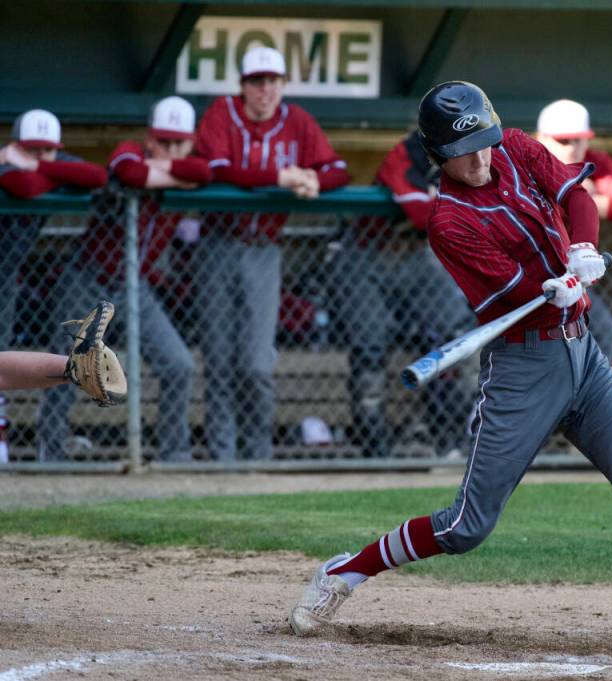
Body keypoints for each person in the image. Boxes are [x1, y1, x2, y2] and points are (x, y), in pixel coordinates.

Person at [287, 81, 612, 662]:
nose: (482, 158)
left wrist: (582, 249)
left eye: (484, 143)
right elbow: (506, 297)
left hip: (582, 354)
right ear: (437, 155)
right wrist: (548, 287)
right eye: (465, 151)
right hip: (522, 365)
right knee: (467, 527)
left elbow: (578, 198)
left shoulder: (514, 146)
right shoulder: (448, 220)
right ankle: (345, 572)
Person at [193, 46, 350, 461]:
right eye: (256, 82)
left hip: (264, 249)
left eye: (272, 81)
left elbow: (339, 169)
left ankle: (257, 458)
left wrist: (314, 179)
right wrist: (280, 176)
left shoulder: (296, 120)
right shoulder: (222, 112)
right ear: (243, 86)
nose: (265, 89)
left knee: (257, 365)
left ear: (282, 85)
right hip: (218, 247)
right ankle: (223, 460)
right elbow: (218, 169)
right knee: (220, 362)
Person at [37, 97, 210, 462]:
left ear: (191, 141)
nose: (171, 149)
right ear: (150, 138)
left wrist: (164, 170)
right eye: (163, 141)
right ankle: (48, 454)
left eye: (179, 143)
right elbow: (130, 172)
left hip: (135, 287)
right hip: (87, 278)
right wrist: (173, 175)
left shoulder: (190, 160)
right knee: (66, 367)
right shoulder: (130, 149)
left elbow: (204, 173)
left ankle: (174, 454)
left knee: (179, 364)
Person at [325, 131, 474, 458]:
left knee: (458, 338)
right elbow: (421, 213)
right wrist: (450, 203)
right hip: (365, 256)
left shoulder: (474, 157)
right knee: (370, 347)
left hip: (416, 256)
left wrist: (442, 200)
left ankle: (447, 440)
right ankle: (374, 449)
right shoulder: (406, 153)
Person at [534, 98, 612, 361]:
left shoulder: (594, 162)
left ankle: (579, 397)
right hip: (530, 271)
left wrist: (583, 200)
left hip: (573, 274)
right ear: (540, 138)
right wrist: (577, 196)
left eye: (578, 140)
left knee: (602, 331)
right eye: (563, 141)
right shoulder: (525, 163)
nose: (572, 148)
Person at [0, 110, 107, 349]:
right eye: (31, 149)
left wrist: (35, 165)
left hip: (6, 272)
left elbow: (97, 176)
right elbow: (24, 186)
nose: (40, 155)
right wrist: (57, 173)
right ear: (14, 146)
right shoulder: (3, 159)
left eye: (47, 150)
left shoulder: (45, 162)